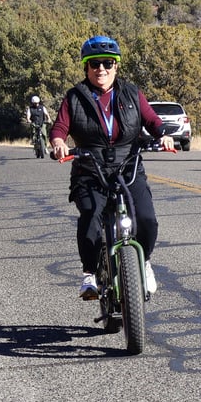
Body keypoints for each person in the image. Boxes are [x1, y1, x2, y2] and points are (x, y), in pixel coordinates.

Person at [49, 35, 175, 300]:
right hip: (89, 167)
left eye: (107, 63)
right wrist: (59, 142)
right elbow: (60, 127)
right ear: (86, 67)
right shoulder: (74, 97)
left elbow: (152, 120)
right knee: (91, 216)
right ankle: (89, 275)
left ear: (116, 66)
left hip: (128, 166)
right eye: (94, 64)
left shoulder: (131, 93)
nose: (101, 69)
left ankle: (144, 262)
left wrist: (163, 135)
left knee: (146, 219)